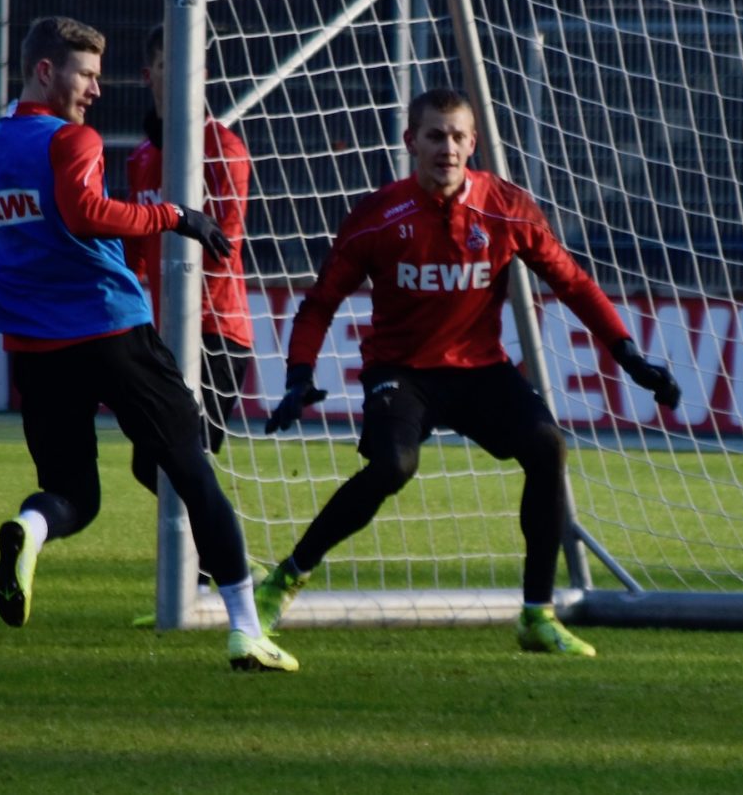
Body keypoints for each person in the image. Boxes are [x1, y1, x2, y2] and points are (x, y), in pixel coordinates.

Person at [259, 86, 682, 657]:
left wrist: (628, 354)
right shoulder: (378, 217)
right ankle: (286, 578)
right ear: (411, 141)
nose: (448, 148)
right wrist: (298, 374)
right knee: (392, 466)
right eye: (435, 135)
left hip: (481, 369)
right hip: (402, 372)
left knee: (546, 446)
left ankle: (537, 615)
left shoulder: (505, 207)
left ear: (474, 144)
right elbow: (320, 303)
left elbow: (573, 282)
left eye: (459, 136)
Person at [0, 15, 297, 672]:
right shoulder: (71, 140)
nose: (95, 88)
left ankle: (28, 532)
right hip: (110, 330)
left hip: (34, 346)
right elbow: (86, 212)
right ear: (44, 71)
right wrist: (175, 217)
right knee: (193, 471)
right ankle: (245, 631)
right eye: (85, 73)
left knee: (72, 497)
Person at [123, 24, 254, 523]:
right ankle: (212, 572)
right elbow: (134, 254)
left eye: (192, 65)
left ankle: (220, 572)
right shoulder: (140, 158)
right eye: (167, 65)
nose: (180, 76)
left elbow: (224, 247)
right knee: (149, 464)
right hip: (164, 334)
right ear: (148, 75)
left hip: (216, 332)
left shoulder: (224, 149)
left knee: (181, 459)